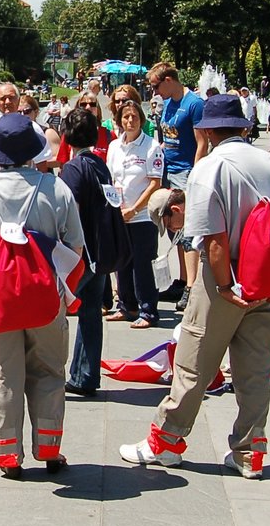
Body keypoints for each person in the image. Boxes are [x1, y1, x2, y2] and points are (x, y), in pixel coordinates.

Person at [120, 94, 270, 479]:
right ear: (244, 127)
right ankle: (250, 453)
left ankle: (165, 442)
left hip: (224, 279)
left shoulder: (208, 169)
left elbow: (212, 237)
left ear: (206, 130)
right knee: (254, 370)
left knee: (193, 366)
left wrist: (225, 285)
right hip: (265, 277)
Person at [0, 113, 83, 480]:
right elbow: (75, 247)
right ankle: (50, 448)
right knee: (50, 372)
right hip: (45, 302)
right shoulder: (56, 189)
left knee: (2, 377)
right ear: (34, 151)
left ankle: (8, 456)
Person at [59, 107, 114, 398]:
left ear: (67, 138)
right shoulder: (99, 164)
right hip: (101, 250)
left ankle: (52, 372)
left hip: (80, 253)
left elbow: (72, 211)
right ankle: (86, 375)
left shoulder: (73, 168)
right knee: (91, 314)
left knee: (57, 311)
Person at [147, 62, 203, 313]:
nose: (155, 92)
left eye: (156, 86)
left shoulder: (194, 104)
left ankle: (192, 286)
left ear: (169, 80)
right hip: (167, 170)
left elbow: (201, 144)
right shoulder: (168, 103)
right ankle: (180, 281)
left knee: (187, 231)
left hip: (185, 172)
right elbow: (165, 136)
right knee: (174, 230)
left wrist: (196, 176)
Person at [106, 99, 164, 328]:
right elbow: (112, 179)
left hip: (141, 216)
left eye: (135, 117)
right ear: (119, 120)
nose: (130, 121)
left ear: (142, 120)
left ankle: (148, 310)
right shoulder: (114, 147)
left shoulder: (151, 146)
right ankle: (126, 305)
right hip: (120, 214)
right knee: (122, 263)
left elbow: (154, 183)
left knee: (143, 265)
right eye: (126, 117)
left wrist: (134, 209)